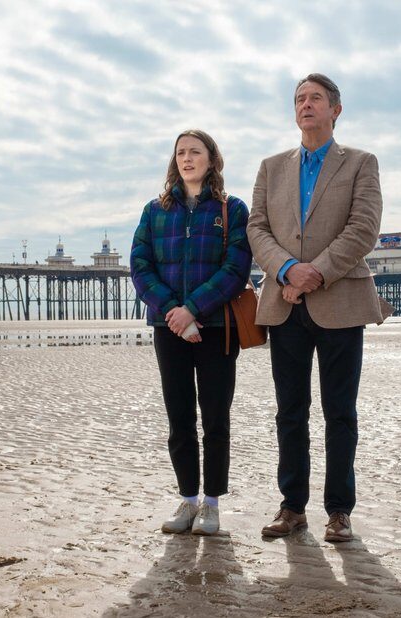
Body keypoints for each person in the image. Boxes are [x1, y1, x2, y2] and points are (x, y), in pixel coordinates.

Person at [247, 73, 389, 543]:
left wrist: (317, 272)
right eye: (300, 99)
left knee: (340, 412)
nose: (306, 105)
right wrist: (288, 269)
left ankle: (339, 510)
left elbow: (364, 227)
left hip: (340, 302)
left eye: (316, 99)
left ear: (336, 110)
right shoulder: (271, 167)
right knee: (290, 411)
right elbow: (257, 229)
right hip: (284, 302)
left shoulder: (361, 163)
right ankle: (292, 508)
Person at [130, 129, 252, 536]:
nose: (186, 158)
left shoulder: (232, 209)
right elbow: (140, 266)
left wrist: (193, 309)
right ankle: (187, 499)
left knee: (215, 418)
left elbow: (236, 269)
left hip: (216, 327)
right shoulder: (155, 210)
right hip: (169, 329)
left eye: (194, 152)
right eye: (180, 152)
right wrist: (172, 312)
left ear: (211, 159)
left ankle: (212, 504)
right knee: (179, 417)